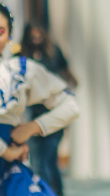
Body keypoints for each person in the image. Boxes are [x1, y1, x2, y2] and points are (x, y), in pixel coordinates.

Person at [0, 1, 80, 195]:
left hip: (10, 162)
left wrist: (31, 128)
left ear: (9, 35)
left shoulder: (21, 70)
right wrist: (4, 151)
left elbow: (71, 106)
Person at [18, 23, 78, 196]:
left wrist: (65, 90)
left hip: (53, 116)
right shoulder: (21, 59)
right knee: (37, 161)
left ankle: (55, 193)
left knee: (49, 161)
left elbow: (71, 80)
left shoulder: (54, 53)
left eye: (39, 34)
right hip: (31, 115)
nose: (36, 37)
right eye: (32, 35)